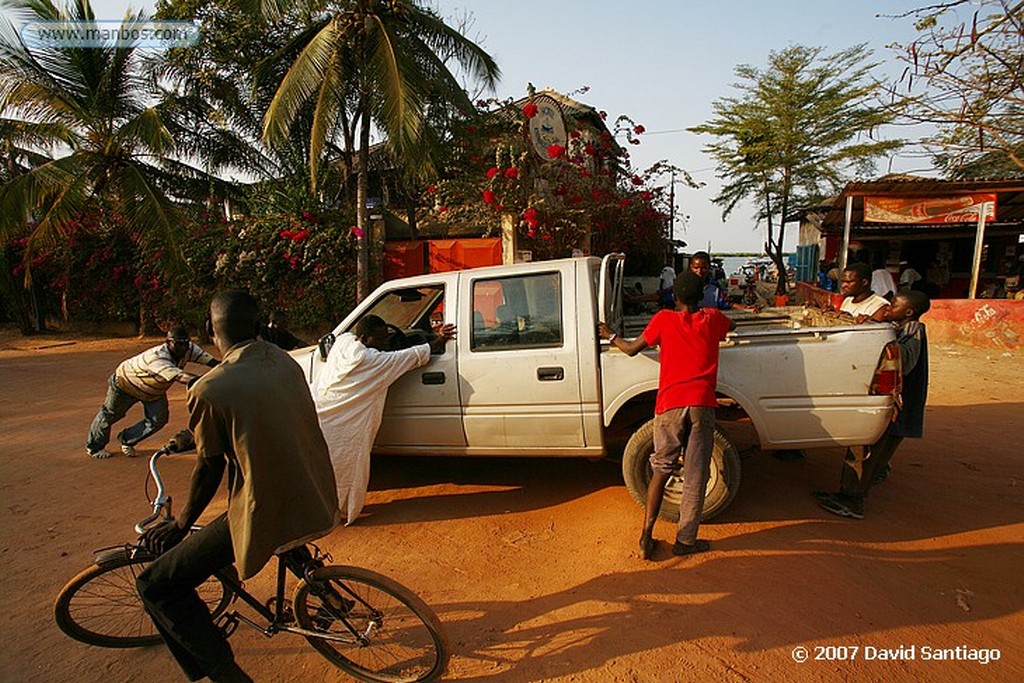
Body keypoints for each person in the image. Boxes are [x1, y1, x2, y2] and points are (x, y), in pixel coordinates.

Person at [136, 290, 340, 683]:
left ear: (211, 330)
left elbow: (208, 472)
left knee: (157, 584)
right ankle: (330, 597)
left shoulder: (209, 388)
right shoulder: (283, 360)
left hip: (265, 506)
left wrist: (180, 526)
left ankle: (227, 676)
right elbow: (253, 419)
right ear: (259, 323)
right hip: (313, 487)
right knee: (269, 513)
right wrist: (192, 436)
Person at [598, 270, 735, 560]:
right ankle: (685, 541)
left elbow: (632, 349)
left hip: (671, 404)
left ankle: (646, 536)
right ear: (702, 296)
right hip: (701, 404)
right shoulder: (712, 318)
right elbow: (730, 324)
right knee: (696, 474)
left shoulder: (663, 319)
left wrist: (610, 335)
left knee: (661, 468)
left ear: (675, 296)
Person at [312, 314, 457, 525]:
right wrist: (440, 340)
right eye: (379, 339)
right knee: (347, 466)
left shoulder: (344, 342)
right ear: (364, 338)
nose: (385, 343)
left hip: (322, 412)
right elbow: (412, 355)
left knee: (323, 468)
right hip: (343, 426)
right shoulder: (372, 361)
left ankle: (324, 508)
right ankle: (339, 510)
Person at [817, 290, 930, 519]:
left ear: (908, 312)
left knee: (864, 448)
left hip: (894, 405)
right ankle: (861, 485)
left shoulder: (913, 331)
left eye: (893, 306)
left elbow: (902, 361)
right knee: (876, 451)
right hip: (892, 404)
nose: (887, 308)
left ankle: (853, 500)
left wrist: (875, 331)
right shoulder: (902, 328)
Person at [86, 326, 218, 459]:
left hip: (153, 392)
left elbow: (212, 362)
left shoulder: (190, 349)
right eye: (178, 344)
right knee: (110, 414)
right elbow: (180, 377)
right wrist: (208, 383)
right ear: (168, 343)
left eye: (185, 343)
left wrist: (228, 368)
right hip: (125, 384)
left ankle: (127, 439)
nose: (183, 348)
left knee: (158, 420)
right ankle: (94, 447)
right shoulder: (157, 358)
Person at [689, 251, 759, 312]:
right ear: (691, 267)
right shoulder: (684, 286)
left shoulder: (714, 287)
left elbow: (726, 303)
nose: (699, 271)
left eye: (703, 268)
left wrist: (746, 308)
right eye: (696, 268)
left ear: (709, 267)